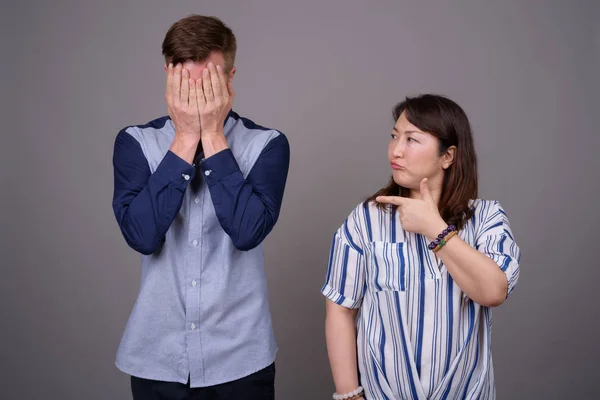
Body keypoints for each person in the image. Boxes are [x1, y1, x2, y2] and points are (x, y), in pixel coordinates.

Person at [111, 15, 289, 400]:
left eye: (209, 84)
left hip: (240, 359)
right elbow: (142, 235)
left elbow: (246, 232)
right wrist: (187, 136)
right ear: (168, 79)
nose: (198, 98)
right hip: (157, 359)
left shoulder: (267, 145)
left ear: (230, 78)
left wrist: (210, 133)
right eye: (187, 86)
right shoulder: (136, 142)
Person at [322, 94, 520, 400]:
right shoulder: (366, 219)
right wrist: (348, 394)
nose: (396, 150)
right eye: (394, 137)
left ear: (448, 156)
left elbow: (493, 292)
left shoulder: (486, 218)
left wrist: (434, 229)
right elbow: (339, 308)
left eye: (412, 139)